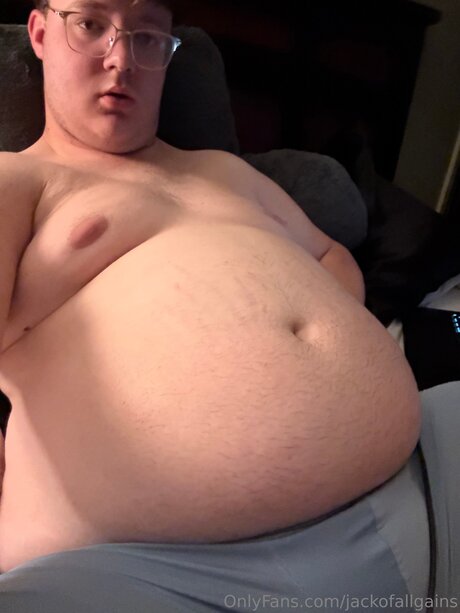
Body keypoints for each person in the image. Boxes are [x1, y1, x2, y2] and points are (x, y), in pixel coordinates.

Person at [0, 0, 421, 577]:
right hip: (149, 562)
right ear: (41, 32)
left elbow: (332, 255)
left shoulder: (225, 170)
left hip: (400, 494)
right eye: (91, 25)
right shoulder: (16, 179)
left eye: (148, 37)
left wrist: (318, 366)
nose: (121, 59)